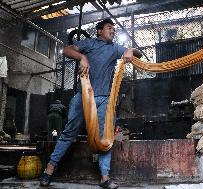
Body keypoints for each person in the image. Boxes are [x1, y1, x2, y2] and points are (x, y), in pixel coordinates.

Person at [40, 18, 142, 189]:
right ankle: (49, 169)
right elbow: (66, 50)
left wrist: (131, 50)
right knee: (69, 132)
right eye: (109, 28)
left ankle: (104, 177)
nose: (113, 30)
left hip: (104, 99)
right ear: (99, 31)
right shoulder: (89, 44)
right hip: (83, 97)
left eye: (114, 28)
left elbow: (137, 53)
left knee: (105, 136)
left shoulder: (114, 48)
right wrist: (82, 57)